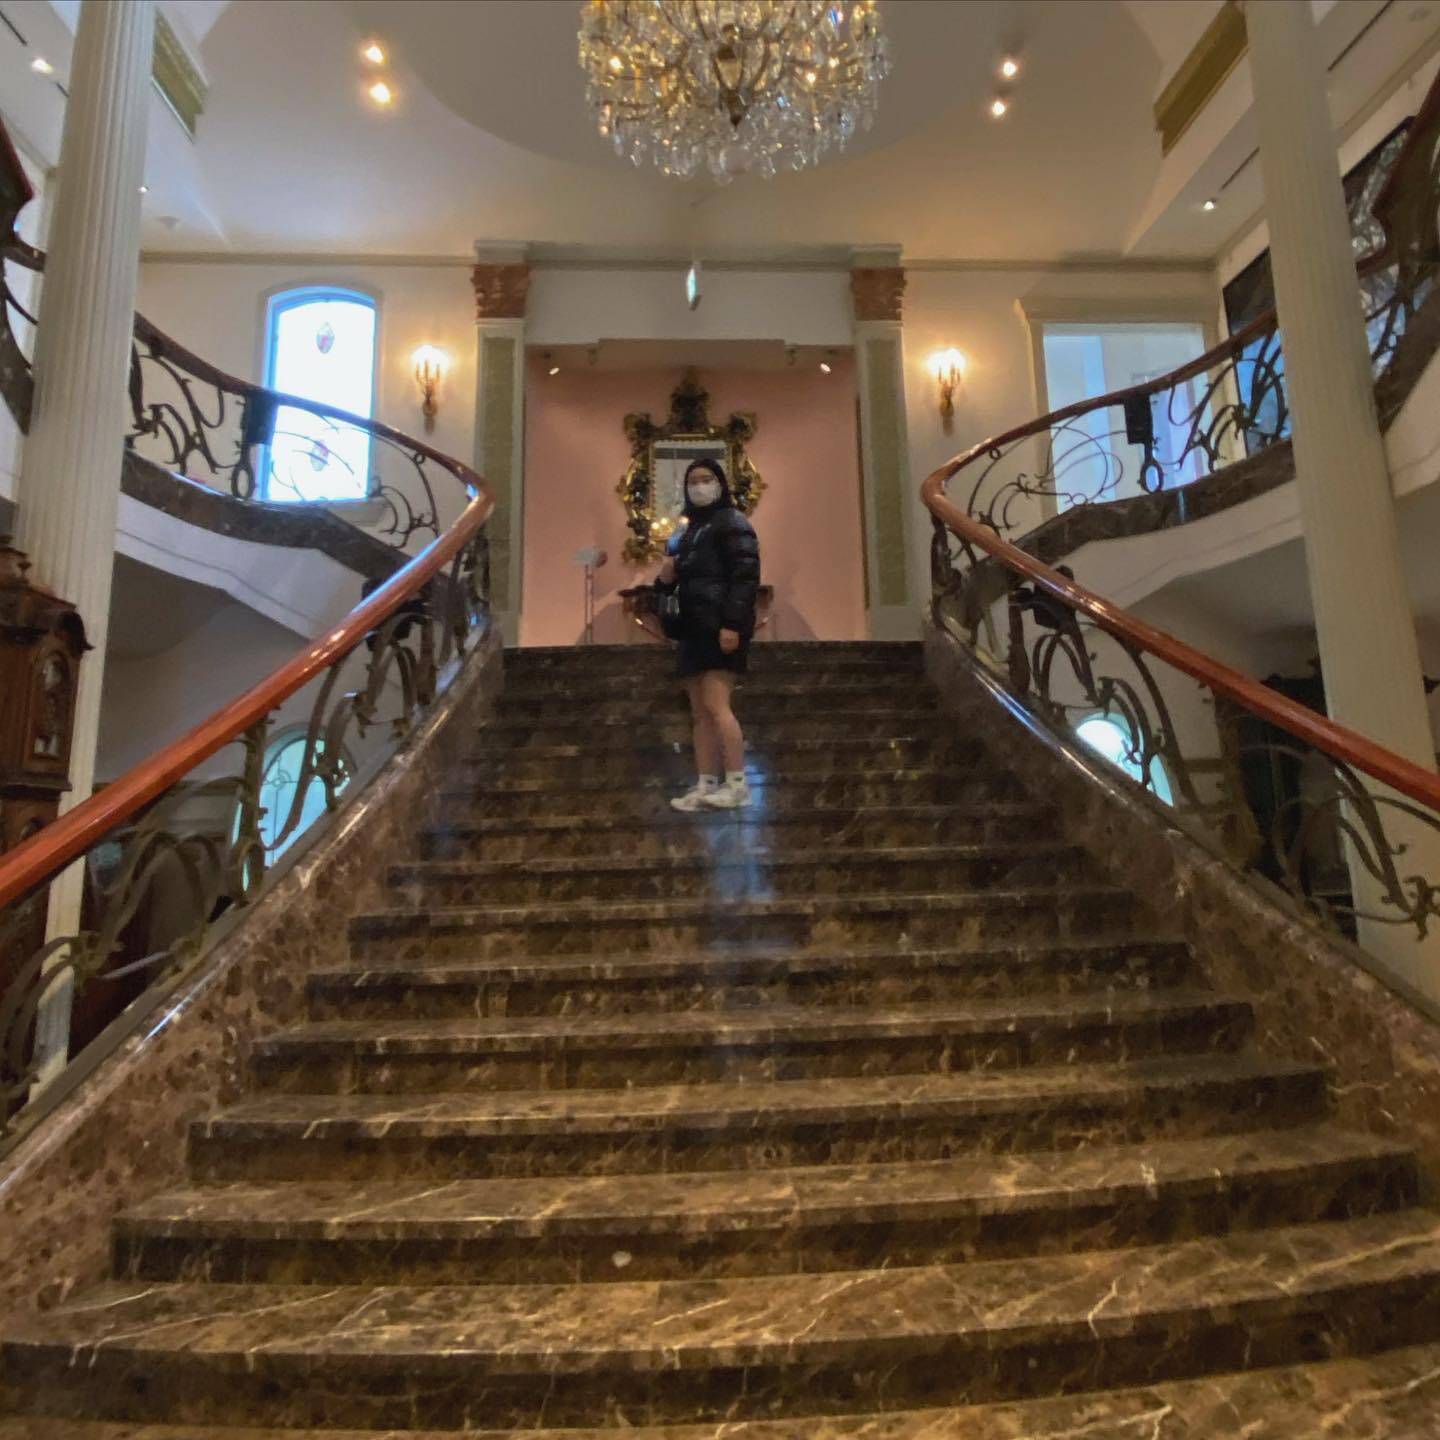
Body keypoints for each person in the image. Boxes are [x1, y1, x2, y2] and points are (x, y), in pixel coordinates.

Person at [654, 457, 760, 811]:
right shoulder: (688, 531)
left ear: (719, 483)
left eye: (706, 478)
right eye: (693, 481)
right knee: (699, 713)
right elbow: (672, 582)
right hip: (691, 628)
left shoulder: (733, 522)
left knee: (717, 705)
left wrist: (732, 624)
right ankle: (707, 783)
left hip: (719, 626)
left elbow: (745, 578)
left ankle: (738, 783)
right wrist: (664, 578)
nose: (699, 486)